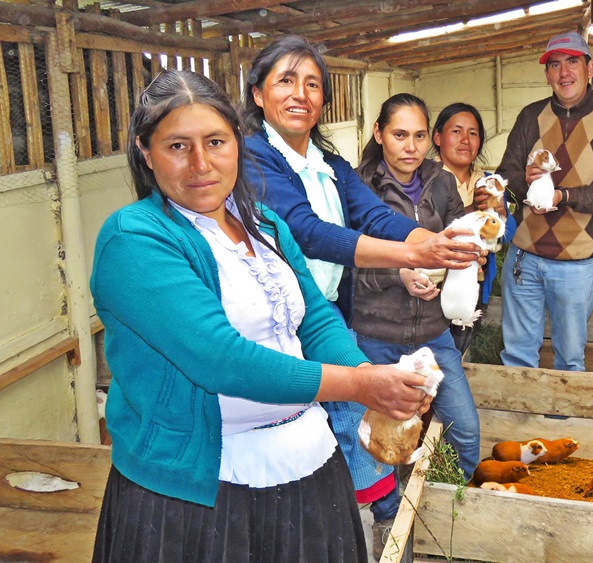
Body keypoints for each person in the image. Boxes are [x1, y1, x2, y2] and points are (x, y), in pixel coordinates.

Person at [90, 70, 432, 562]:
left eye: (215, 142)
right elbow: (221, 360)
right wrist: (360, 387)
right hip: (198, 495)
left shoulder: (263, 223)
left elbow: (314, 318)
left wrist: (366, 373)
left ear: (238, 145)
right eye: (177, 146)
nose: (201, 164)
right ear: (146, 152)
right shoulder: (135, 238)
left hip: (307, 469)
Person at [239, 36, 484, 555]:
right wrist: (413, 257)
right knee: (317, 433)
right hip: (276, 325)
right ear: (258, 94)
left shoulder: (329, 164)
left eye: (312, 83)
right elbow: (309, 232)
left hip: (324, 314)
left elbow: (373, 216)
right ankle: (361, 526)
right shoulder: (255, 159)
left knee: (349, 426)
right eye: (285, 80)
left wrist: (435, 243)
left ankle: (375, 526)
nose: (300, 93)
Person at [355, 93, 482, 556]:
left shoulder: (440, 181)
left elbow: (457, 237)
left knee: (464, 433)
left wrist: (464, 257)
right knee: (380, 447)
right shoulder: (358, 185)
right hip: (376, 336)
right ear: (379, 133)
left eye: (420, 136)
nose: (411, 147)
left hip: (433, 335)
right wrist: (399, 272)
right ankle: (392, 520)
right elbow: (345, 259)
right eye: (399, 134)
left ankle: (430, 514)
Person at [495, 31, 593, 371]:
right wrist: (524, 186)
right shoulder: (531, 116)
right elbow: (505, 174)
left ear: (590, 67)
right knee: (517, 355)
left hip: (576, 262)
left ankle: (561, 421)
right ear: (547, 75)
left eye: (573, 62)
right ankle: (521, 420)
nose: (564, 73)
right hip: (524, 257)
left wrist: (564, 196)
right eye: (555, 65)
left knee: (569, 359)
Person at [431, 102, 515, 353]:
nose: (465, 140)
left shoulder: (488, 183)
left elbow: (506, 235)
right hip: (431, 287)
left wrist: (500, 212)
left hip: (473, 286)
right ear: (438, 137)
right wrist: (473, 215)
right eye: (456, 131)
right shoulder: (423, 179)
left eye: (473, 133)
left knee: (458, 351)